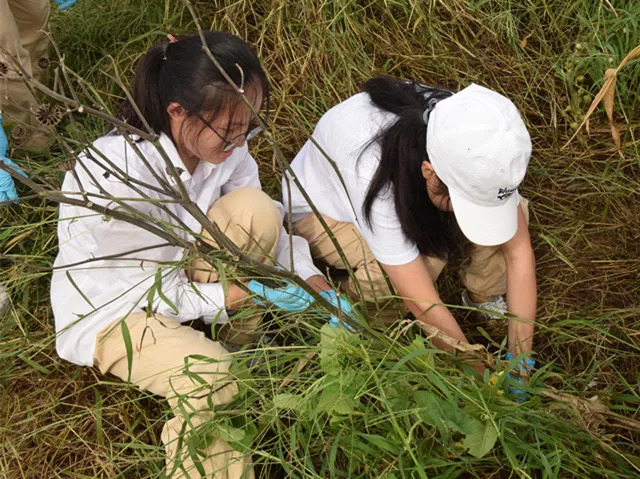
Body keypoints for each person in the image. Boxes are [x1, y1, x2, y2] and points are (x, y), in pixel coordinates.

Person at [51, 32, 349, 478]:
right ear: (177, 113)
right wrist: (231, 296)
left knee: (257, 211)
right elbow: (145, 287)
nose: (240, 140)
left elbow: (258, 212)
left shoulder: (224, 146)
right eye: (229, 129)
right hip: (117, 306)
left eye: (249, 126)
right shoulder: (122, 179)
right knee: (209, 377)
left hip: (182, 266)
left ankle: (239, 341)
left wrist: (309, 278)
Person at [282, 76, 537, 374]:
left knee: (510, 215)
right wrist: (483, 378)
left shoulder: (482, 140)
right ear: (429, 172)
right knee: (419, 267)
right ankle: (351, 312)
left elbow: (518, 251)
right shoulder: (372, 174)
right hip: (321, 214)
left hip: (415, 189)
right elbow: (422, 303)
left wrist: (522, 362)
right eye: (463, 204)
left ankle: (481, 293)